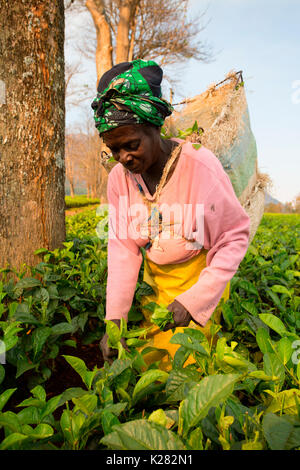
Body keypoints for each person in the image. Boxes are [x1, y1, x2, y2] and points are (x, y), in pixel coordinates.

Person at [91, 59, 250, 370]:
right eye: (114, 150)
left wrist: (194, 301)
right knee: (147, 365)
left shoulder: (200, 168)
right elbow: (123, 250)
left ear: (154, 126)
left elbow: (234, 237)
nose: (124, 158)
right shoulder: (119, 180)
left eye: (131, 145)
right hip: (158, 284)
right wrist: (115, 320)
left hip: (200, 283)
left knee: (188, 369)